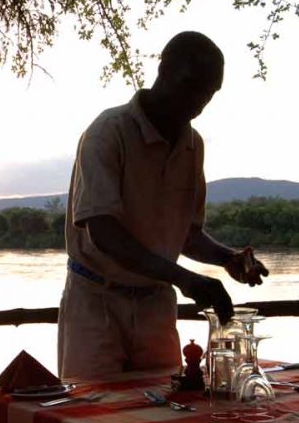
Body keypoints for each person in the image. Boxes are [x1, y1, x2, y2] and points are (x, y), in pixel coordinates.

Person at [58, 31, 269, 380]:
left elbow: (187, 234)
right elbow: (103, 232)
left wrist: (226, 258)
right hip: (97, 303)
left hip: (156, 303)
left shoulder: (193, 145)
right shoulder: (107, 133)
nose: (199, 101)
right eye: (191, 85)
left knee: (164, 412)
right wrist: (185, 279)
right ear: (163, 70)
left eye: (209, 92)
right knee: (92, 409)